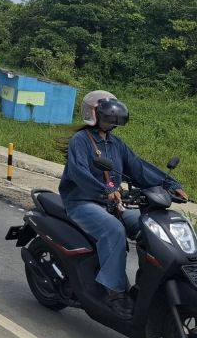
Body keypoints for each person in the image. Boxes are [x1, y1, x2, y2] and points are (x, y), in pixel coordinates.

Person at [59, 90, 188, 320]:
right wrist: (106, 190)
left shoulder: (116, 144)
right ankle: (114, 293)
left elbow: (138, 168)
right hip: (82, 202)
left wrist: (170, 184)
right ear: (93, 114)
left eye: (114, 117)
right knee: (114, 230)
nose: (112, 121)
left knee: (147, 226)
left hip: (112, 204)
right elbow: (78, 173)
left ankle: (146, 285)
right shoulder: (81, 141)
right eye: (107, 117)